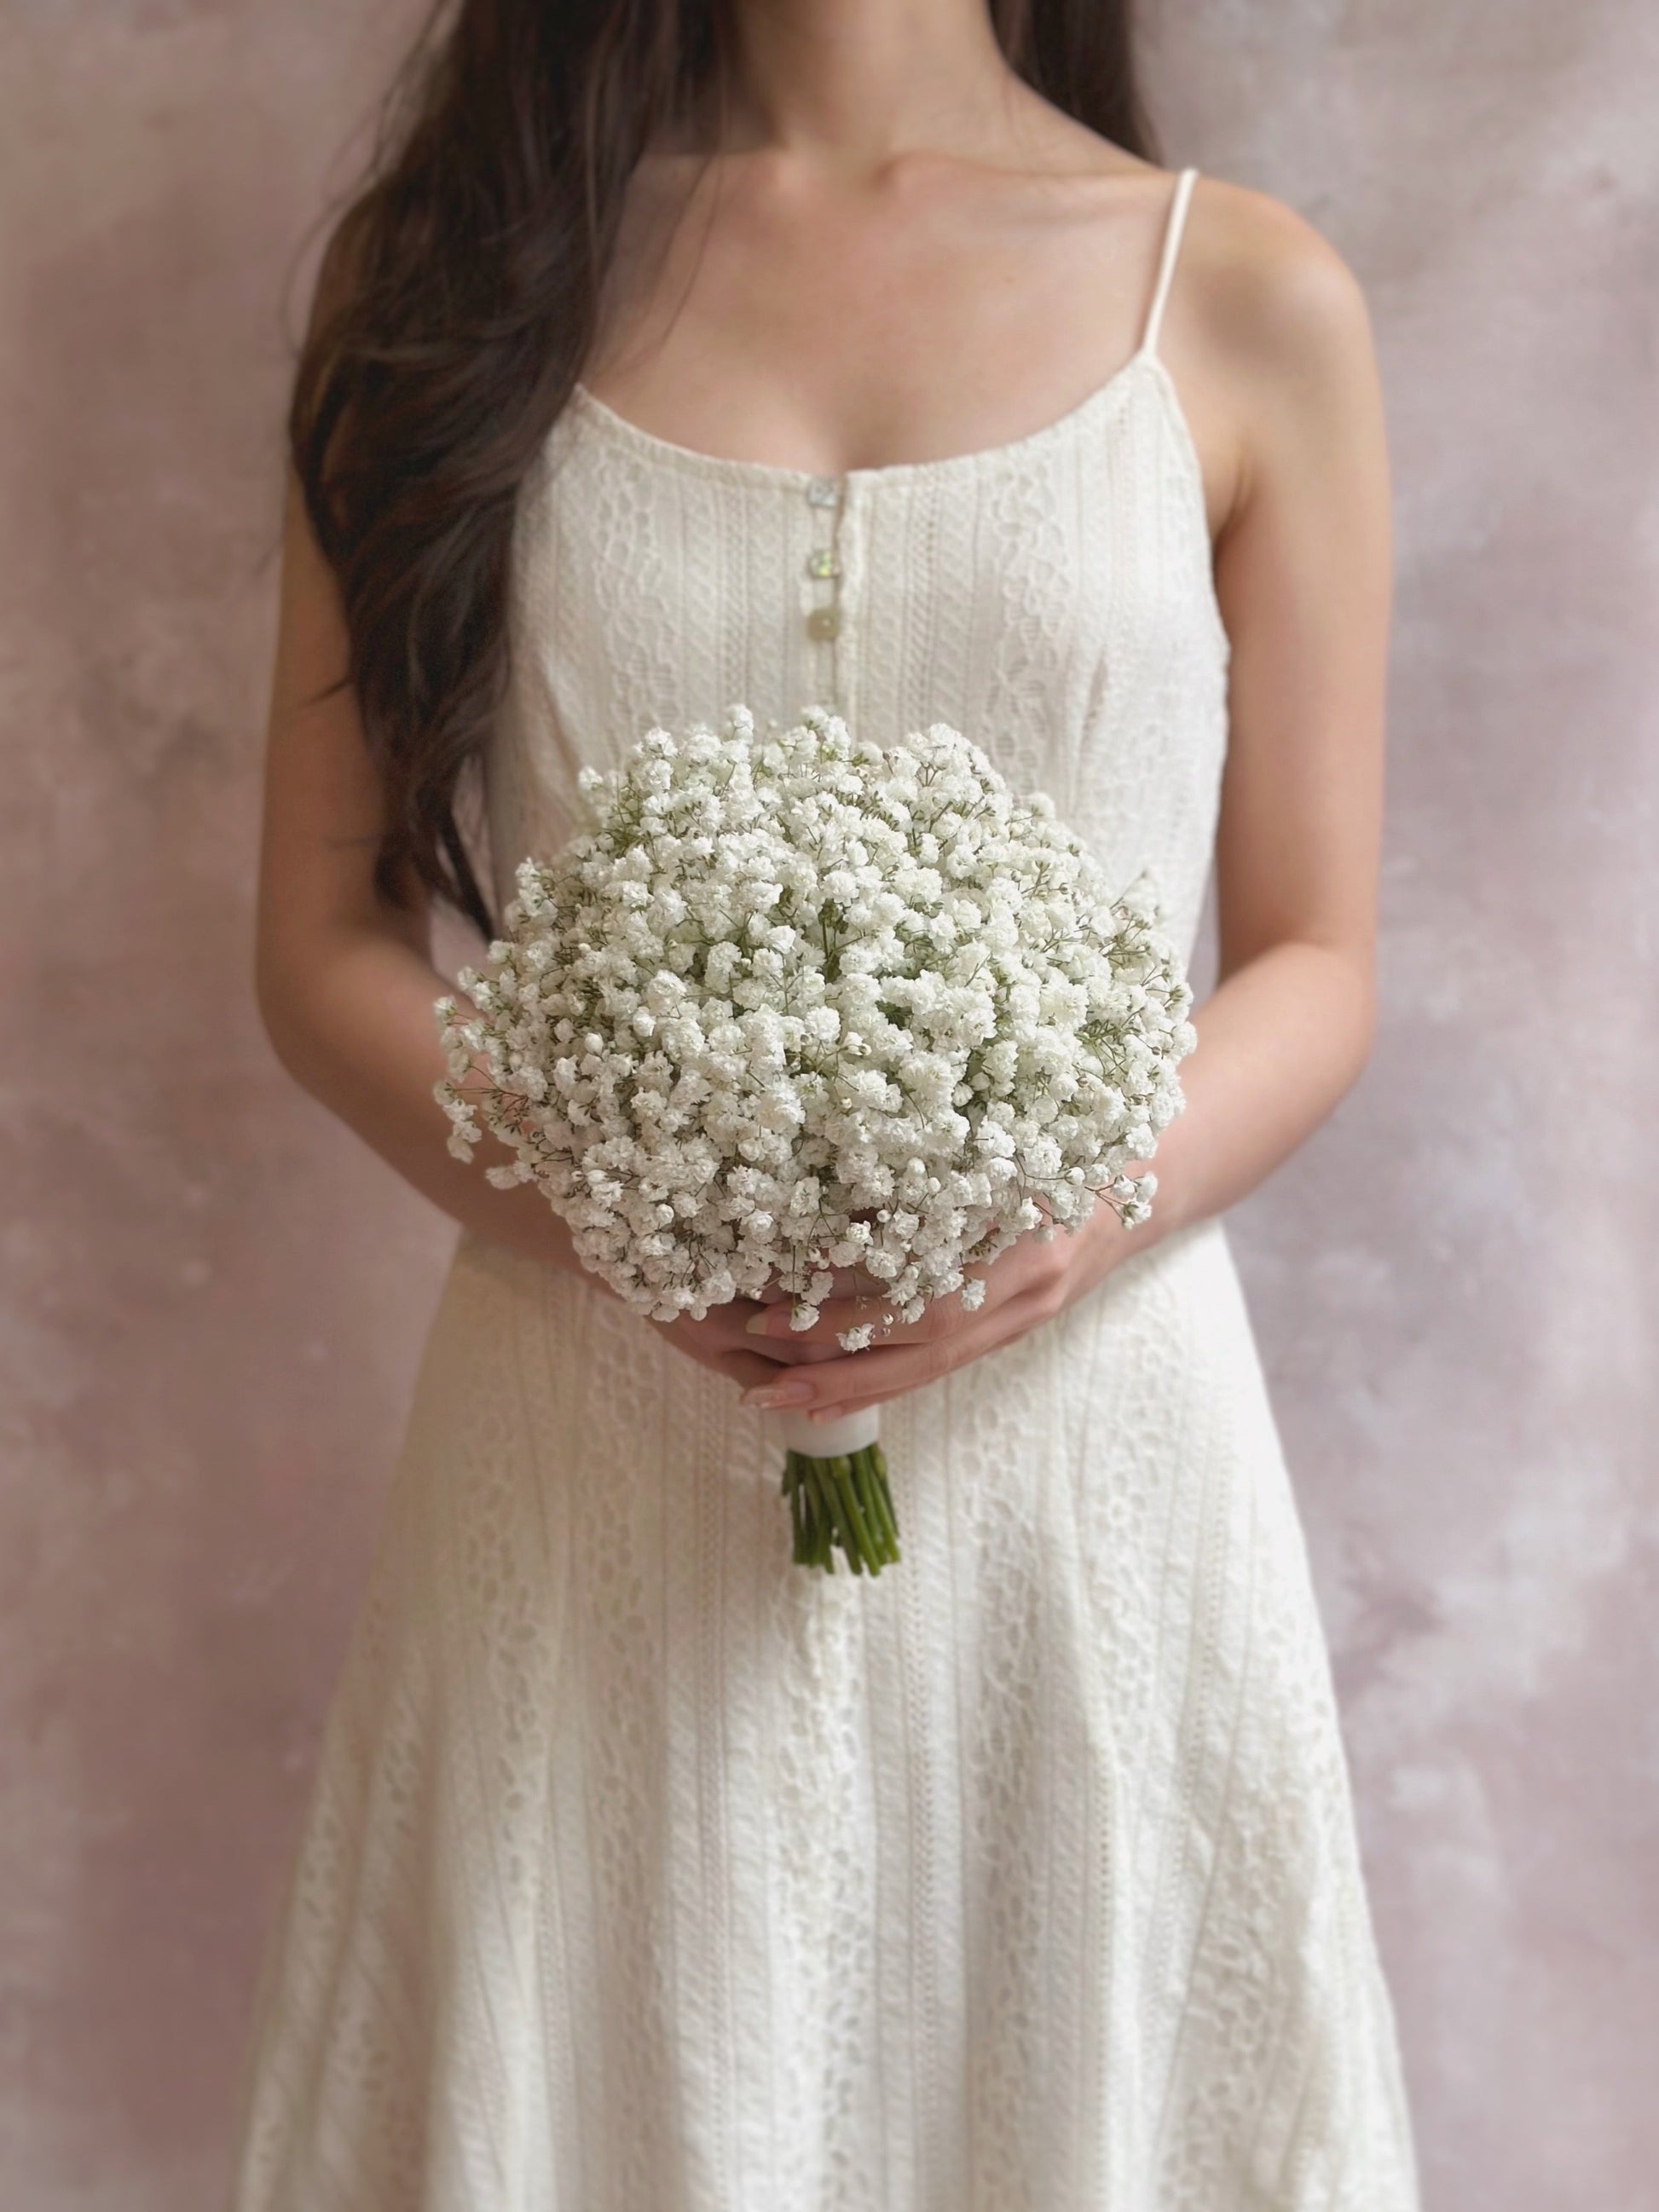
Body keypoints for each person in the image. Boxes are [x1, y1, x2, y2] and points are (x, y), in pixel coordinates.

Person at [230, 1, 1419, 2205]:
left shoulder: (1243, 299)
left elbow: (1311, 960)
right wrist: (623, 1209)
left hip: (1089, 1479)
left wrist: (1076, 1199)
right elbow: (323, 947)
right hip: (587, 1450)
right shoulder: (448, 285)